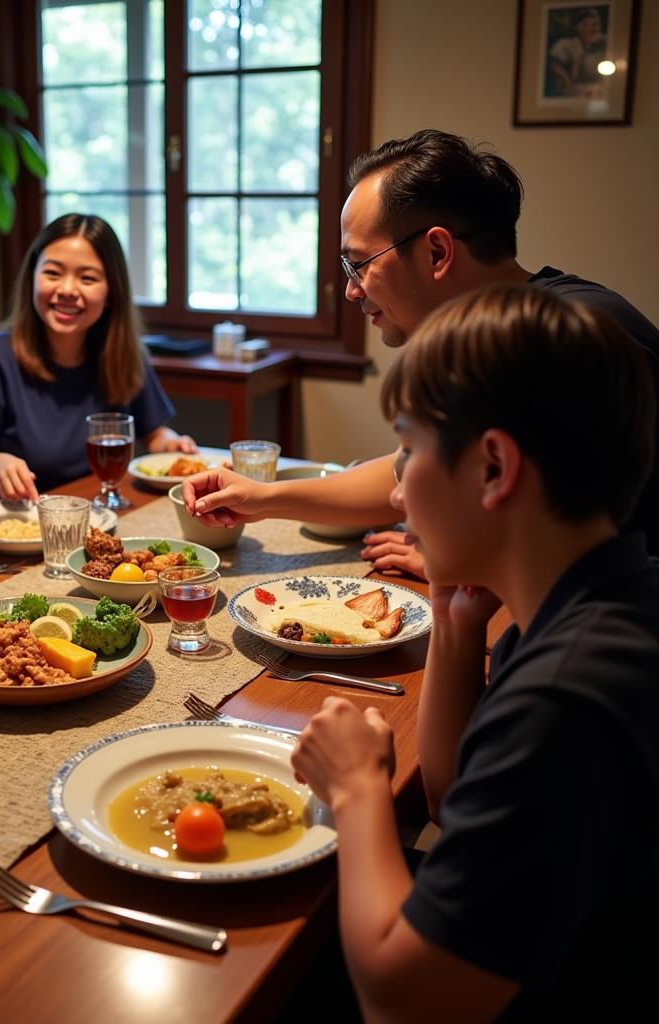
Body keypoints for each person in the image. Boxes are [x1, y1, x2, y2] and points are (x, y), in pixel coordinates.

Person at [289, 285, 659, 1022]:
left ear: (493, 467)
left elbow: (404, 1002)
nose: (397, 493)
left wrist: (360, 790)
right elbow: (454, 798)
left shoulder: (566, 698)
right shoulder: (586, 606)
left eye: (409, 448)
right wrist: (455, 626)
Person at [183, 129, 659, 574]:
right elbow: (402, 472)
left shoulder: (565, 340)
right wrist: (263, 497)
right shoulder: (488, 336)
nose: (351, 291)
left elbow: (580, 543)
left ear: (436, 253)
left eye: (359, 264)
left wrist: (461, 561)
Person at [0, 213, 195, 504]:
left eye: (87, 278)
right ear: (32, 279)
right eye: (52, 273)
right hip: (4, 526)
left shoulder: (124, 354)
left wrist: (171, 443)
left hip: (88, 516)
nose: (66, 290)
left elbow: (154, 434)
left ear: (112, 293)